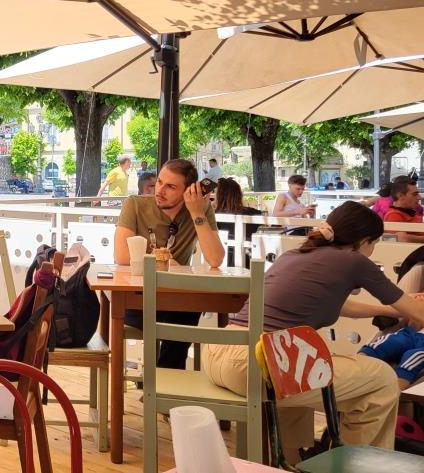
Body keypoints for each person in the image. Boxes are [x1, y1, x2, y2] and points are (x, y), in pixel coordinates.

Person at [204, 201, 424, 454]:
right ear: (364, 241)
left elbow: (339, 305)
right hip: (257, 362)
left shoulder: (295, 255)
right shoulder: (353, 260)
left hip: (220, 354)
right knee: (382, 379)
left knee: (302, 382)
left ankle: (291, 462)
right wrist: (409, 307)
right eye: (374, 243)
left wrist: (391, 310)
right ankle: (355, 465)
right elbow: (418, 313)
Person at [114, 159, 225, 369]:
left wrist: (197, 213)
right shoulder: (135, 205)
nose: (160, 191)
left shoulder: (200, 210)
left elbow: (215, 258)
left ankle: (164, 376)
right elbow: (122, 256)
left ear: (188, 191)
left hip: (176, 301)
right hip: (137, 297)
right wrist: (163, 261)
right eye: (159, 182)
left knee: (190, 304)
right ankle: (163, 378)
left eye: (171, 186)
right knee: (185, 309)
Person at [214, 177, 263, 267]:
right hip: (247, 258)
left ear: (218, 196)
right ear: (239, 194)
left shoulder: (213, 215)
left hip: (219, 259)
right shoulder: (254, 213)